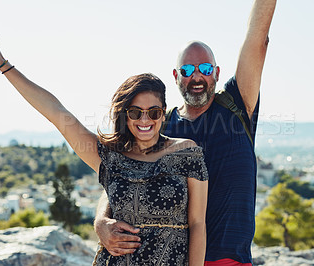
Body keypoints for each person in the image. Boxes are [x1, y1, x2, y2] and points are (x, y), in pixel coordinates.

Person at [0, 18, 209, 266]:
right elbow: (56, 112)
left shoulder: (187, 153)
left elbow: (197, 224)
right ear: (125, 115)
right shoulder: (110, 157)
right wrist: (1, 63)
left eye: (153, 112)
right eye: (135, 112)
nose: (145, 119)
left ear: (163, 112)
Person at [93, 0, 277, 265]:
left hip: (229, 258)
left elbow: (258, 38)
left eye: (204, 69)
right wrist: (101, 221)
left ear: (216, 73)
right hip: (172, 258)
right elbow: (119, 172)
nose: (197, 77)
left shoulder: (238, 105)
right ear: (176, 76)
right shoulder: (159, 124)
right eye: (188, 70)